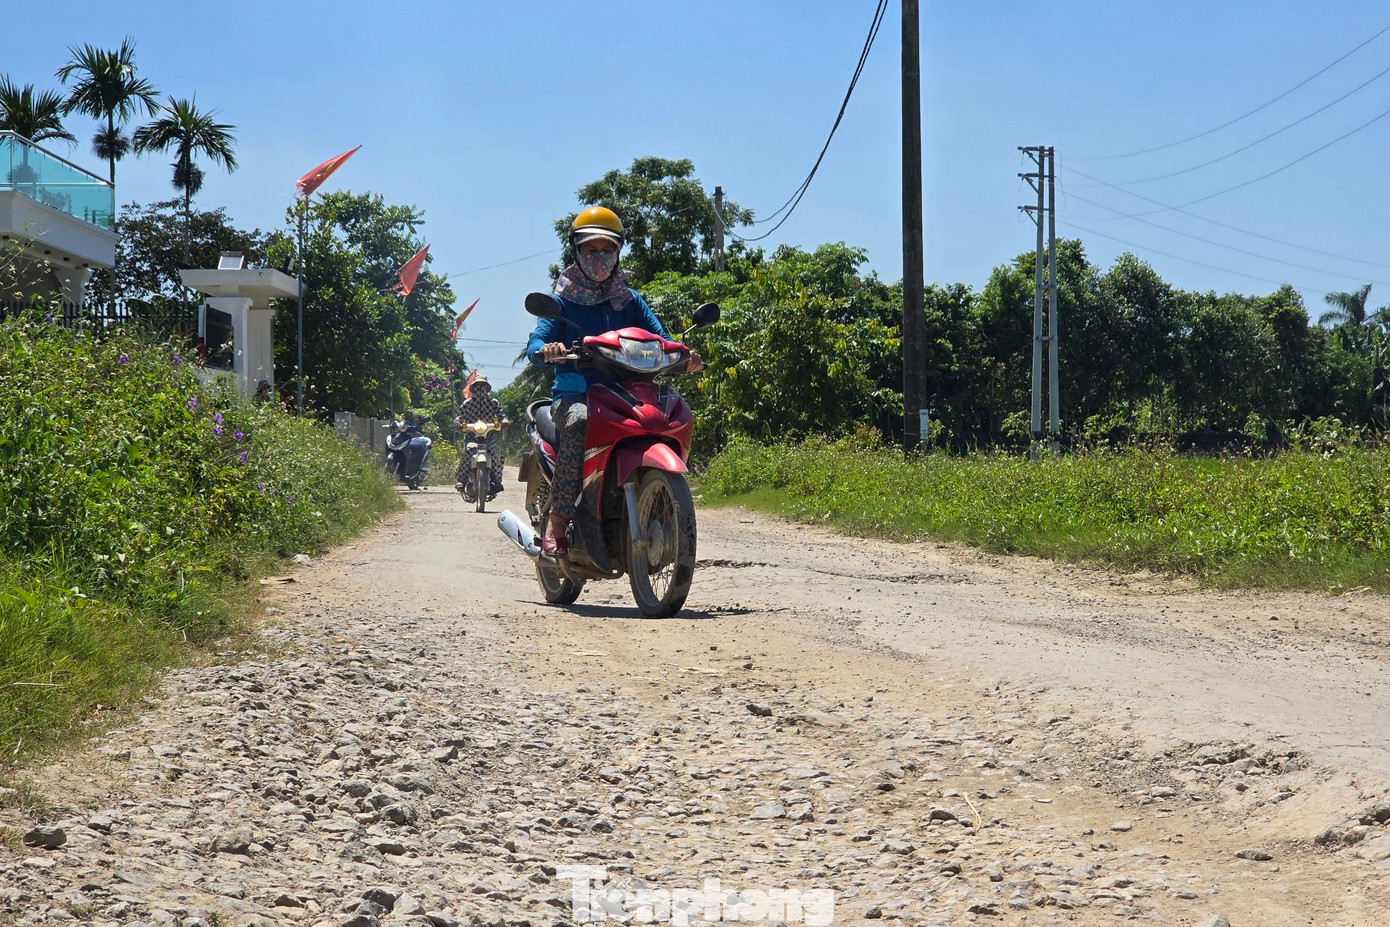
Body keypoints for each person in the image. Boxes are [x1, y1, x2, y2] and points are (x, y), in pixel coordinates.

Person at [526, 206, 702, 556]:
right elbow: (535, 342)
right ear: (576, 251)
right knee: (577, 422)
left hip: (628, 395)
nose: (599, 257)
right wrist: (548, 349)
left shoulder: (630, 299)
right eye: (591, 250)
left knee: (670, 416)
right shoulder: (562, 301)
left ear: (618, 252)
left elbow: (661, 338)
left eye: (607, 249)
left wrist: (684, 355)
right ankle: (557, 520)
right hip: (577, 395)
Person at [454, 372, 507, 495]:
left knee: (494, 455)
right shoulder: (467, 403)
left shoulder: (493, 403)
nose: (480, 388)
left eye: (483, 385)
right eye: (478, 385)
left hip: (489, 435)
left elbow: (501, 415)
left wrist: (504, 421)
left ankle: (497, 481)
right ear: (473, 387)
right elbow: (460, 416)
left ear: (487, 388)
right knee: (468, 452)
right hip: (472, 435)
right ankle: (461, 479)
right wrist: (458, 422)